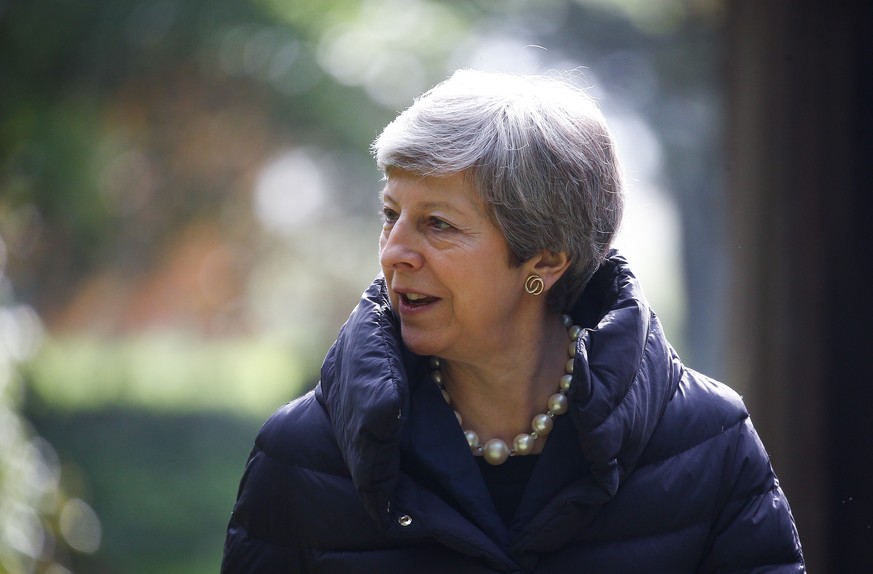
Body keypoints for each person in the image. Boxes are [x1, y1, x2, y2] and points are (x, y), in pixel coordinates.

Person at [220, 69, 804, 573]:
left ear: (544, 260)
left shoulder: (709, 442)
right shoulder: (300, 453)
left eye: (438, 224)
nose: (395, 251)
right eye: (391, 215)